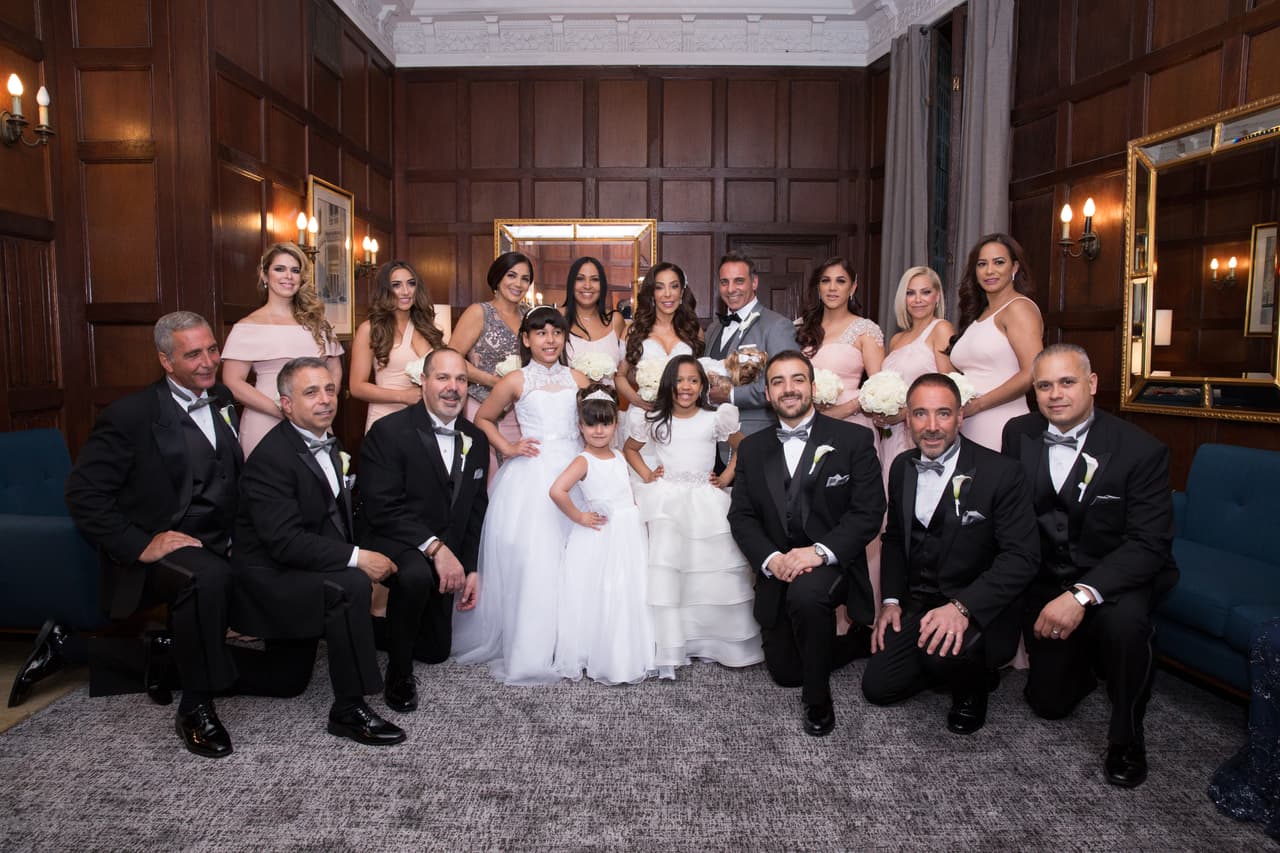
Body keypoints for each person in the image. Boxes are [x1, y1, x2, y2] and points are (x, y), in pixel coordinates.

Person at [62, 312, 243, 758]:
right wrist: (141, 544)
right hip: (166, 547)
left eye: (212, 349)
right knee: (208, 578)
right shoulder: (130, 415)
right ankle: (195, 707)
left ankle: (150, 653)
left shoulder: (221, 397)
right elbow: (83, 494)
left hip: (221, 538)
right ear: (166, 361)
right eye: (193, 354)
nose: (208, 362)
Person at [1001, 343, 1178, 788]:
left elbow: (1149, 544)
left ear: (1092, 383)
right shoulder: (1018, 433)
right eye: (1044, 385)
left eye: (1067, 382)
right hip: (1048, 578)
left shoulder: (1141, 450)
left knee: (1126, 627)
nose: (1055, 394)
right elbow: (1010, 514)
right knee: (1048, 704)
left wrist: (1082, 595)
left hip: (1116, 578)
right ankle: (1081, 666)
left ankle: (1127, 736)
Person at [231, 357, 405, 746]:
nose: (325, 399)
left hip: (303, 565)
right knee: (350, 586)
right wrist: (358, 557)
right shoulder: (271, 459)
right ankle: (349, 709)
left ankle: (176, 658)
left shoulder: (328, 441)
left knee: (286, 681)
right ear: (286, 404)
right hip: (269, 577)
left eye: (329, 389)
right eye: (311, 392)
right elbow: (284, 542)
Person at [862, 374, 1038, 734]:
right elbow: (893, 539)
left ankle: (973, 683)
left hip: (978, 607)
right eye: (920, 414)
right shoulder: (902, 467)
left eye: (943, 413)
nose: (931, 426)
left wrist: (963, 607)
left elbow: (1022, 557)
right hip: (921, 601)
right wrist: (891, 601)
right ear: (907, 419)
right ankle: (945, 662)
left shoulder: (1001, 472)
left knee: (938, 658)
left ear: (959, 417)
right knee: (878, 689)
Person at [727, 350, 884, 737]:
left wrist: (817, 553)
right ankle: (854, 645)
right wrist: (771, 559)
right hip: (779, 566)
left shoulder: (853, 439)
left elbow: (868, 512)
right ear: (767, 393)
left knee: (807, 594)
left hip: (831, 562)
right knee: (785, 672)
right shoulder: (752, 448)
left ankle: (818, 699)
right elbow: (741, 516)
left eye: (797, 379)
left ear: (812, 387)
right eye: (778, 381)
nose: (789, 389)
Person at [451, 306, 590, 684]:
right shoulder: (516, 380)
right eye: (541, 333)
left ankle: (573, 641)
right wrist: (508, 448)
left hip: (573, 471)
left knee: (574, 556)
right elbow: (483, 418)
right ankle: (532, 644)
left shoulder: (578, 378)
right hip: (532, 476)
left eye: (556, 332)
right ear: (526, 339)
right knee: (536, 558)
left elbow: (595, 420)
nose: (550, 340)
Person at [359, 347, 490, 712]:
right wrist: (435, 548)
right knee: (415, 574)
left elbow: (476, 508)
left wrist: (472, 566)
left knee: (435, 651)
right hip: (393, 537)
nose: (453, 387)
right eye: (443, 377)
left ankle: (362, 629)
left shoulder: (476, 438)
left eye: (461, 379)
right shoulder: (389, 432)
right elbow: (382, 507)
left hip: (444, 547)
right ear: (423, 381)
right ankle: (398, 672)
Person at [624, 356, 762, 677]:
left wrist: (725, 477)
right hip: (667, 500)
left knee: (708, 569)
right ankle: (676, 641)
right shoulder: (655, 420)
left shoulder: (715, 418)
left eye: (693, 380)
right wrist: (647, 474)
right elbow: (630, 449)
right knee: (673, 570)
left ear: (702, 386)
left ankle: (713, 641)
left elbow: (743, 447)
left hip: (705, 499)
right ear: (668, 384)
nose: (685, 387)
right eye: (679, 380)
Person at [549, 385, 655, 685]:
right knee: (603, 589)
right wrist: (579, 515)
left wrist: (637, 513)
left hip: (628, 532)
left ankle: (626, 649)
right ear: (580, 426)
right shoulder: (583, 460)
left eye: (605, 424)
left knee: (627, 589)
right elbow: (557, 490)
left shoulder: (620, 456)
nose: (598, 431)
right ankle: (598, 650)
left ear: (615, 425)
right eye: (591, 424)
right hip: (602, 535)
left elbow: (626, 490)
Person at [221, 242, 344, 458]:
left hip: (315, 420)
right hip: (266, 420)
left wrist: (322, 403)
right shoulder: (247, 327)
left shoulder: (318, 323)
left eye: (295, 270)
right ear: (264, 275)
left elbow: (334, 369)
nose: (288, 276)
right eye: (280, 269)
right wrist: (284, 412)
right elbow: (233, 382)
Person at [948, 234, 1043, 451]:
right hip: (968, 423)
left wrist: (979, 404)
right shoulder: (979, 314)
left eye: (999, 262)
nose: (989, 270)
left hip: (1000, 422)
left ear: (1014, 267)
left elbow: (1032, 371)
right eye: (982, 264)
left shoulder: (1019, 308)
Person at [707, 252, 802, 462]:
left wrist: (731, 395)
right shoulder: (713, 329)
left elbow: (784, 386)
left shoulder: (776, 326)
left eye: (739, 281)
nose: (731, 289)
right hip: (711, 445)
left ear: (755, 282)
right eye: (724, 282)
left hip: (754, 439)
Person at [449, 252, 532, 471]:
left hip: (520, 411)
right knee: (485, 471)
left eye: (525, 279)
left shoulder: (530, 317)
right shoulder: (479, 312)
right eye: (511, 275)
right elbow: (452, 359)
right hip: (482, 406)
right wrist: (494, 382)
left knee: (518, 471)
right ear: (498, 277)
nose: (518, 283)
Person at [874, 266, 956, 484]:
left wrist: (905, 413)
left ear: (937, 296)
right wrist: (881, 412)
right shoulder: (896, 339)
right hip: (892, 435)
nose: (918, 299)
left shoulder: (941, 329)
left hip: (925, 430)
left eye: (925, 292)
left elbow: (948, 387)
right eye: (911, 293)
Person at [349, 260, 445, 432]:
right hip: (386, 419)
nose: (406, 291)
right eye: (396, 285)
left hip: (425, 420)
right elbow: (356, 387)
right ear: (385, 290)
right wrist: (402, 396)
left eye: (411, 283)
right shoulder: (370, 329)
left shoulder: (428, 327)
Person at [797, 256, 885, 437]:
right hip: (805, 423)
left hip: (851, 424)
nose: (832, 288)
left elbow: (879, 387)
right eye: (825, 281)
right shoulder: (801, 328)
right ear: (818, 288)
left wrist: (843, 410)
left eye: (841, 281)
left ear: (853, 288)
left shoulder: (865, 330)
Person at [614, 262, 703, 411]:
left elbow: (699, 376)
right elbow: (620, 375)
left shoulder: (694, 330)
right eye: (659, 287)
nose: (667, 294)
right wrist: (636, 400)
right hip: (644, 413)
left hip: (683, 413)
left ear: (681, 292)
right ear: (652, 294)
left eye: (674, 286)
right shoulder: (634, 330)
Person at [562, 256, 626, 382]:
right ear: (571, 283)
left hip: (609, 394)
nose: (587, 286)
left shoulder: (615, 320)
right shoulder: (557, 318)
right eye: (580, 279)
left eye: (595, 279)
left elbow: (623, 373)